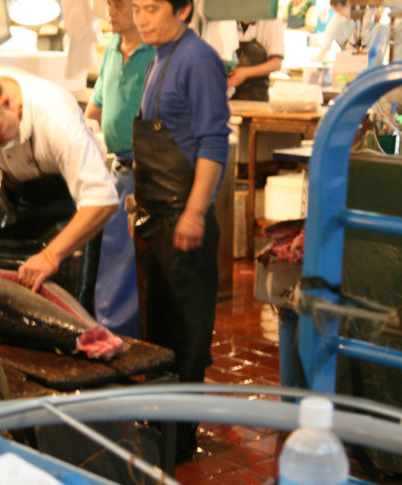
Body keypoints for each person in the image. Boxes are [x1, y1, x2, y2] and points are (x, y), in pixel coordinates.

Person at [130, 0, 230, 461]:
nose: (141, 18)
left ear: (184, 8)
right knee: (159, 329)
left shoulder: (198, 59)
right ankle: (160, 430)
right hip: (157, 216)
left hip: (182, 220)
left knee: (187, 334)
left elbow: (213, 142)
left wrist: (194, 213)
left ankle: (180, 443)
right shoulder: (158, 58)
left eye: (151, 7)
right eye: (136, 7)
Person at [0, 68, 119, 293]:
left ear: (7, 102)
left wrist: (50, 256)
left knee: (67, 309)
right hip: (15, 206)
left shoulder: (56, 119)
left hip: (67, 210)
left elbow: (102, 200)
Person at [84, 0, 155, 338]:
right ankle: (108, 331)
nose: (110, 10)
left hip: (146, 171)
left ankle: (120, 339)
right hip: (117, 168)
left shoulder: (154, 52)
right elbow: (95, 107)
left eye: (118, 4)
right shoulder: (112, 47)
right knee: (112, 255)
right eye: (108, 3)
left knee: (127, 259)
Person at [228, 18, 285, 101]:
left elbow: (276, 63)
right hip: (226, 95)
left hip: (257, 95)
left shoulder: (272, 21)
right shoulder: (225, 20)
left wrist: (245, 73)